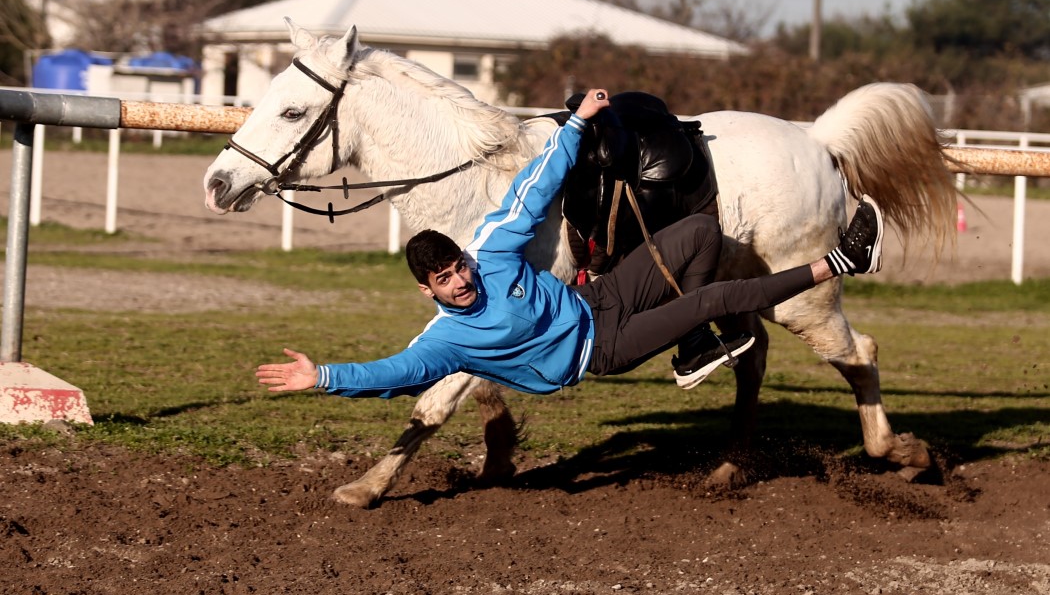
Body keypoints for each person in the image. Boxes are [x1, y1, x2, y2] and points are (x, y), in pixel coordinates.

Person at [256, 89, 884, 398]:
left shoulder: (492, 251)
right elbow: (399, 373)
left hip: (601, 298)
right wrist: (324, 377)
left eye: (459, 267)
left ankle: (693, 349)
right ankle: (838, 261)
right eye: (447, 281)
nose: (462, 280)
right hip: (598, 347)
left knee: (699, 233)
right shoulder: (448, 339)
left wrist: (579, 122)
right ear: (430, 292)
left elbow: (536, 189)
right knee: (716, 300)